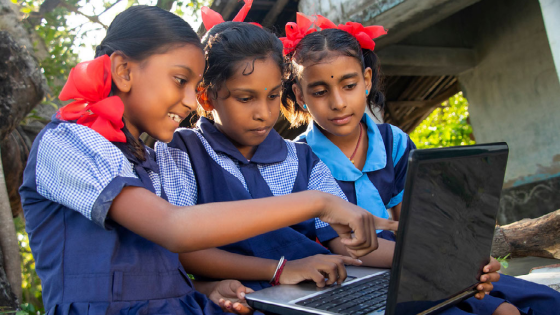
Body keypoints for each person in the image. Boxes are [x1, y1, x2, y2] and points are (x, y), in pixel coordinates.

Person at [18, 6, 382, 315]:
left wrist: (208, 288)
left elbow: (163, 262)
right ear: (124, 72)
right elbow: (175, 230)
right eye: (179, 80)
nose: (192, 101)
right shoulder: (68, 141)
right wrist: (318, 202)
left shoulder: (141, 156)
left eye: (194, 86)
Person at [156, 13, 499, 313]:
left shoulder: (302, 158)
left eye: (273, 95)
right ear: (207, 95)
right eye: (246, 98)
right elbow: (185, 250)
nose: (264, 113)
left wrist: (441, 260)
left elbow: (351, 244)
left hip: (322, 292)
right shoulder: (181, 151)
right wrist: (278, 270)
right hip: (244, 295)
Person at [281, 15, 560, 315]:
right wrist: (442, 263)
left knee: (546, 301)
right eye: (320, 92)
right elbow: (347, 246)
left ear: (366, 80)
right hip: (354, 279)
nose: (337, 102)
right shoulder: (299, 160)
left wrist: (466, 262)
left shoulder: (392, 142)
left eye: (349, 85)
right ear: (300, 95)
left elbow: (414, 224)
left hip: (416, 263)